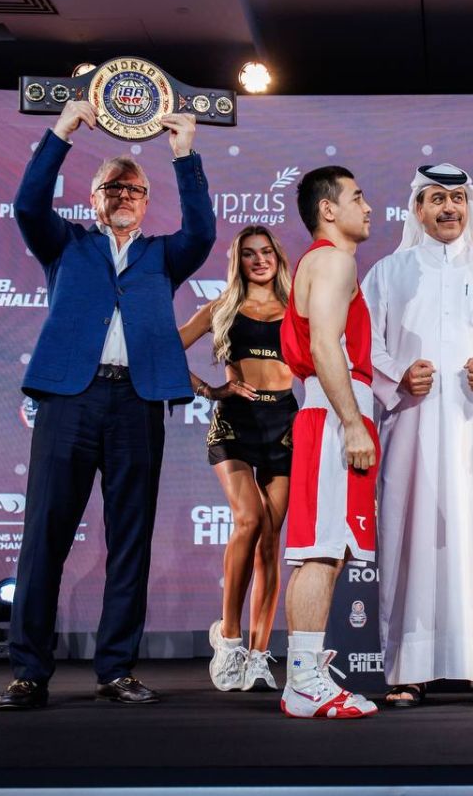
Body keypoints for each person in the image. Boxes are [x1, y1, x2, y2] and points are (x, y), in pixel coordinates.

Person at [0, 101, 216, 710]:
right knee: (44, 536)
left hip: (136, 403)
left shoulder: (163, 255)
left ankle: (115, 669)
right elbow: (28, 206)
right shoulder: (65, 244)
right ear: (93, 198)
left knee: (130, 540)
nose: (124, 195)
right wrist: (62, 132)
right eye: (113, 187)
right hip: (71, 399)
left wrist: (184, 152)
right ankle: (28, 674)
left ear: (146, 202)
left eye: (134, 189)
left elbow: (202, 232)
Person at [362, 164, 473, 708]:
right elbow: (362, 343)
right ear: (417, 209)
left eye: (457, 198)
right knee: (408, 536)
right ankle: (406, 670)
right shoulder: (387, 273)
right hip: (410, 428)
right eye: (436, 199)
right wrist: (396, 376)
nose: (449, 208)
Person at [278, 165, 381, 719]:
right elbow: (323, 346)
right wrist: (352, 422)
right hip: (333, 414)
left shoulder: (322, 263)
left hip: (333, 411)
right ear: (328, 209)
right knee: (320, 551)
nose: (368, 208)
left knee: (329, 549)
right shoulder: (334, 260)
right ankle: (302, 681)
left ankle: (307, 673)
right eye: (357, 197)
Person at [178, 225, 295, 692]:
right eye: (250, 254)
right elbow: (166, 348)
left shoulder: (298, 308)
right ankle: (228, 639)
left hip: (284, 425)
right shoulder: (221, 307)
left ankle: (259, 654)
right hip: (234, 423)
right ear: (238, 262)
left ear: (277, 258)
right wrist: (210, 390)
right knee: (249, 519)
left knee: (270, 539)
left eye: (266, 252)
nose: (260, 260)